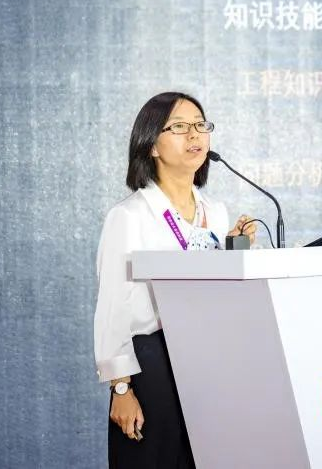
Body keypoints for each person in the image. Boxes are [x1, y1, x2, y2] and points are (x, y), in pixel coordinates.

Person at [93, 92, 258, 468]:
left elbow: (210, 289)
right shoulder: (130, 216)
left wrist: (234, 252)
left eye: (200, 125)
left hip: (207, 360)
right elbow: (113, 307)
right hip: (153, 363)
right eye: (180, 127)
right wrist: (122, 387)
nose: (195, 135)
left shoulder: (215, 212)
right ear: (151, 145)